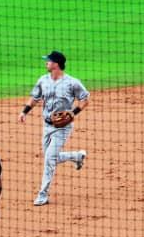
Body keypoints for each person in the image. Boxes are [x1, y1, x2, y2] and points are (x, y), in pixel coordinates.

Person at [18, 50, 90, 206]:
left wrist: (73, 113)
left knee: (49, 159)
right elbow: (34, 98)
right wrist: (24, 112)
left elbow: (85, 99)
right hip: (46, 126)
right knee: (50, 157)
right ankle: (77, 156)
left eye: (49, 60)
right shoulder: (43, 80)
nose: (46, 62)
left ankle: (42, 194)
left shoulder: (72, 83)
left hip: (63, 127)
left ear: (56, 64)